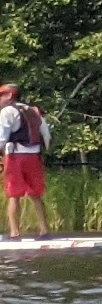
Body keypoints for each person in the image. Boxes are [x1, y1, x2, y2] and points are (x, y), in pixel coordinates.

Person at [0, 84, 48, 238]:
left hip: (15, 158)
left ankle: (14, 233)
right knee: (36, 195)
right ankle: (44, 230)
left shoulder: (7, 111)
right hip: (34, 157)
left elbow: (2, 138)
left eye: (1, 95)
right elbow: (46, 135)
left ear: (9, 96)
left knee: (13, 195)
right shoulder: (33, 111)